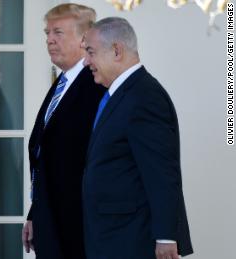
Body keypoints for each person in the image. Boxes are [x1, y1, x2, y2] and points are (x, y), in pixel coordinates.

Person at [82, 17, 193, 259]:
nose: (85, 61)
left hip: (131, 239)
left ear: (116, 50)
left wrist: (166, 236)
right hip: (111, 234)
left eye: (90, 52)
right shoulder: (121, 93)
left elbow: (162, 172)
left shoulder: (144, 97)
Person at [22, 3, 105, 259]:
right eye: (47, 33)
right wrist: (36, 213)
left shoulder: (96, 84)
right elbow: (44, 153)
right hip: (52, 219)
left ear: (84, 39)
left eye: (58, 33)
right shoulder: (64, 81)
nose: (49, 40)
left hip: (77, 226)